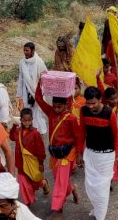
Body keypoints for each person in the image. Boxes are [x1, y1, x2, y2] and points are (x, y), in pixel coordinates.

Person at [35, 79, 82, 218]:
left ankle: (58, 208)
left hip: (67, 154)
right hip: (54, 153)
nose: (56, 109)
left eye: (59, 106)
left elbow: (79, 137)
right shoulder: (50, 112)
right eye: (54, 106)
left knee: (59, 185)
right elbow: (38, 98)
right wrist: (40, 83)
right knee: (60, 180)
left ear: (66, 105)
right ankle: (72, 189)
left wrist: (79, 154)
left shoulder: (72, 118)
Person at [77, 87, 118, 220]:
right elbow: (82, 132)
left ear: (100, 100)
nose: (90, 106)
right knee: (91, 186)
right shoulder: (83, 111)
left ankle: (100, 216)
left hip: (106, 155)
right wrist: (79, 153)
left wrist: (116, 154)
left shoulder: (109, 113)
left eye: (93, 103)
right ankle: (97, 209)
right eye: (88, 103)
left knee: (102, 188)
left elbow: (115, 135)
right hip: (90, 154)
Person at [9, 109, 47, 206]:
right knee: (24, 184)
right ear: (21, 120)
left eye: (29, 120)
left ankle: (43, 183)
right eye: (24, 120)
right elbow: (12, 137)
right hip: (21, 164)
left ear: (32, 119)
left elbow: (40, 149)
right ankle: (28, 202)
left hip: (32, 163)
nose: (27, 123)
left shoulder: (35, 134)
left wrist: (41, 163)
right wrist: (14, 125)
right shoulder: (17, 131)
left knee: (34, 183)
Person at [17, 42, 49, 134]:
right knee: (27, 110)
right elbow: (21, 78)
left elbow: (44, 77)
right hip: (25, 90)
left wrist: (40, 91)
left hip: (36, 91)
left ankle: (39, 130)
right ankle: (29, 128)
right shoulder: (22, 62)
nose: (25, 52)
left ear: (33, 51)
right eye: (24, 50)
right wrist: (19, 94)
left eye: (27, 50)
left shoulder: (39, 61)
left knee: (37, 111)